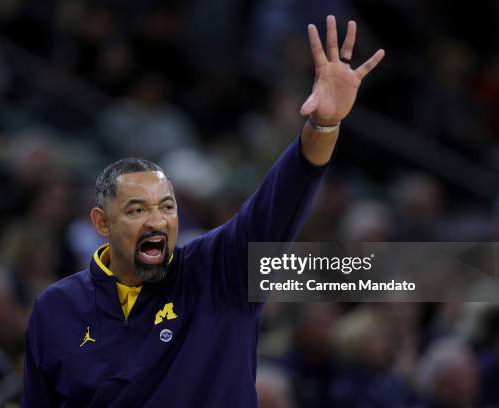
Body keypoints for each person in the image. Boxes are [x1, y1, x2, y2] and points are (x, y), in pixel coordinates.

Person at [22, 15, 384, 407]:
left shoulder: (218, 272)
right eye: (137, 209)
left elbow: (277, 205)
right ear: (101, 222)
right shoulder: (56, 308)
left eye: (167, 207)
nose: (157, 221)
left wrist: (322, 125)